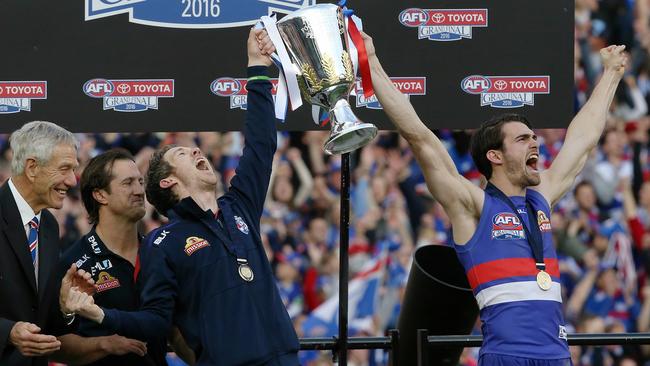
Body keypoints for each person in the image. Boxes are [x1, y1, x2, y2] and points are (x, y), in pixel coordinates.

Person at [362, 31, 627, 365]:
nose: (535, 143)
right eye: (522, 139)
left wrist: (611, 75)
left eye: (534, 137)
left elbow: (584, 140)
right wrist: (369, 60)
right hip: (505, 357)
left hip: (558, 357)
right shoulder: (473, 206)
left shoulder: (540, 198)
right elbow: (419, 137)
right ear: (495, 156)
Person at [64, 28, 300, 365]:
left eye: (193, 149)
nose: (195, 152)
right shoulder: (162, 243)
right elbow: (158, 320)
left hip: (286, 358)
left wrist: (257, 68)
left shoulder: (239, 208)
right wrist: (101, 315)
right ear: (167, 182)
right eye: (182, 155)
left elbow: (262, 144)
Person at [53, 149, 168, 365]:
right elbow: (57, 343)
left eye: (140, 182)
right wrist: (103, 344)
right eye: (128, 183)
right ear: (100, 195)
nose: (139, 191)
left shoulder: (160, 253)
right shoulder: (73, 264)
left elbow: (174, 328)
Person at [0, 121, 87, 366]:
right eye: (65, 169)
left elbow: (40, 316)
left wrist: (66, 307)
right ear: (32, 168)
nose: (72, 181)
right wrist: (8, 332)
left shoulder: (48, 225)